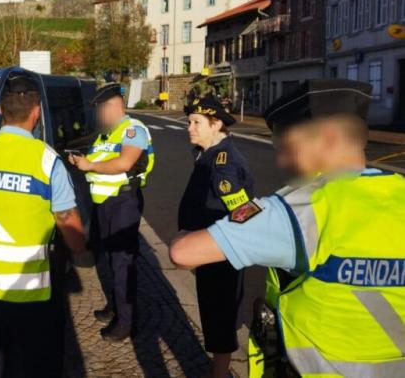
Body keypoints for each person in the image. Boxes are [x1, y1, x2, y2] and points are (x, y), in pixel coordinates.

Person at [170, 79, 405, 378]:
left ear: (328, 139)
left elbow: (183, 252)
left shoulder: (303, 205)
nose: (281, 160)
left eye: (287, 147)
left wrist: (185, 233)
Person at [0, 75, 86, 378]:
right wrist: (82, 251)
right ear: (36, 112)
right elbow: (71, 230)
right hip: (30, 296)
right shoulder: (47, 162)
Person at [69, 83, 154, 342]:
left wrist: (89, 165)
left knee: (122, 263)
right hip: (105, 204)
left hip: (123, 202)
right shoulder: (107, 134)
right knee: (110, 259)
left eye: (101, 110)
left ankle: (126, 322)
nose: (99, 116)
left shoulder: (132, 130)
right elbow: (101, 159)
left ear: (114, 107)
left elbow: (124, 163)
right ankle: (116, 306)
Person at [178, 97, 255, 378]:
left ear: (217, 124)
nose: (190, 128)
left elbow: (246, 211)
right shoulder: (207, 154)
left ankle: (220, 372)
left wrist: (219, 241)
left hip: (220, 251)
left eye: (196, 123)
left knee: (220, 312)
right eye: (189, 122)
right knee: (215, 310)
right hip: (211, 248)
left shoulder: (223, 163)